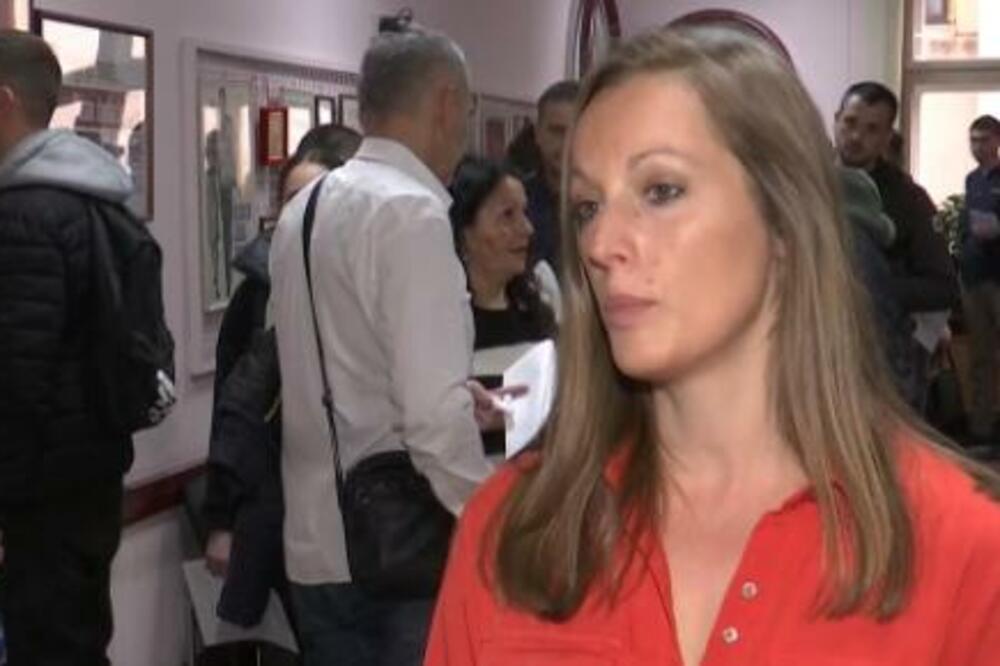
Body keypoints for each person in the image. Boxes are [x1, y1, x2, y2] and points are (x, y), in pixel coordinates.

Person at [425, 26, 1000, 666]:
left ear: (784, 221)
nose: (601, 243)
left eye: (661, 191)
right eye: (587, 207)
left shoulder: (961, 548)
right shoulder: (514, 529)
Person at [270, 29, 505, 666]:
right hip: (402, 551)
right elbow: (431, 420)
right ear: (447, 103)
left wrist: (453, 394)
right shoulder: (411, 214)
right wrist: (492, 523)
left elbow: (330, 363)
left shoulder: (301, 211)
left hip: (314, 545)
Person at [0, 30, 139, 664]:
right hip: (90, 483)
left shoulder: (25, 215)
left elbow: (16, 381)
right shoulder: (100, 202)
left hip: (39, 503)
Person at [201, 123, 360, 628]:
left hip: (363, 515)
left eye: (315, 201)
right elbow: (230, 410)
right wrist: (222, 520)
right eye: (290, 201)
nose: (299, 216)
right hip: (275, 509)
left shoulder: (371, 287)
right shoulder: (257, 293)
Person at [834, 81, 959, 408]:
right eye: (850, 122)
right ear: (836, 120)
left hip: (883, 361)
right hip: (815, 351)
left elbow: (943, 287)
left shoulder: (908, 199)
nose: (856, 136)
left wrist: (869, 289)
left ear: (887, 137)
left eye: (872, 129)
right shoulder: (806, 184)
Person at [449, 156, 556, 458]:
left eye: (524, 212)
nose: (527, 228)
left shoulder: (541, 296)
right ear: (466, 232)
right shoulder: (444, 322)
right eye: (507, 216)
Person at [959, 114, 1000, 448]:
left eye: (984, 140)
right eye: (973, 140)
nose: (977, 147)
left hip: (998, 275)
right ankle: (981, 429)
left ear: (997, 141)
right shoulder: (971, 180)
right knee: (980, 357)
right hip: (973, 276)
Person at [523, 79, 579, 274]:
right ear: (537, 133)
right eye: (557, 131)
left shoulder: (611, 206)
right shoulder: (516, 205)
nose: (566, 144)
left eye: (575, 132)